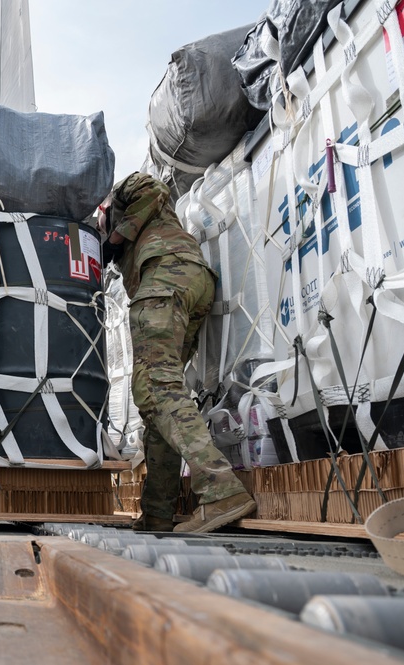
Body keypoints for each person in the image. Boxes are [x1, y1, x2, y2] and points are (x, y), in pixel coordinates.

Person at [98, 172, 255, 534]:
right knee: (157, 404)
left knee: (155, 386)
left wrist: (117, 234)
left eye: (98, 224)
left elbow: (154, 188)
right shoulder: (125, 242)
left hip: (167, 275)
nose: (100, 232)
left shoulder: (119, 194)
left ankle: (222, 490)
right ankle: (157, 513)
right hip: (187, 281)